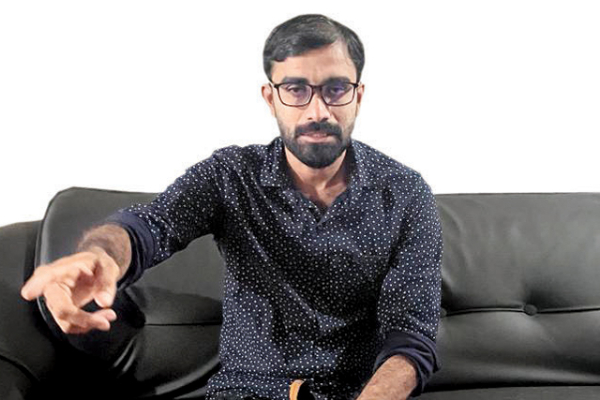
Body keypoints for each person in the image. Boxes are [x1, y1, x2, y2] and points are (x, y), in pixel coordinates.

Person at [20, 13, 443, 400]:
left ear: (358, 96)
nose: (318, 111)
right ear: (270, 97)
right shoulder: (230, 175)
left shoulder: (405, 193)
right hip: (248, 392)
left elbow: (410, 335)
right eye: (296, 89)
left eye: (336, 89)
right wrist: (101, 256)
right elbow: (151, 225)